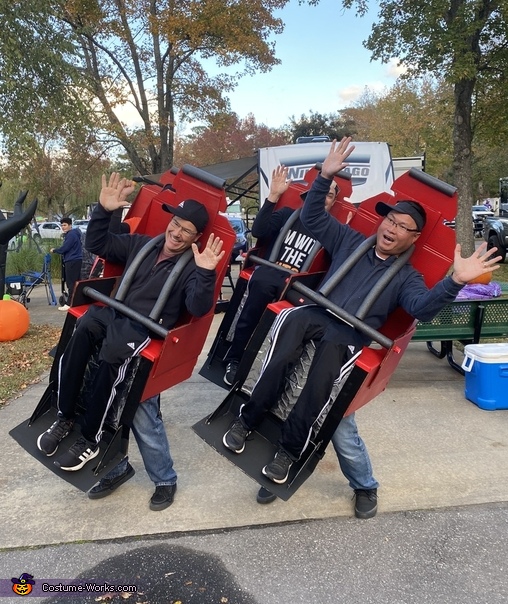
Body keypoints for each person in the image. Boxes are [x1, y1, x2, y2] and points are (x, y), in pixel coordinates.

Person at [223, 137, 502, 518]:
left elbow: (423, 309)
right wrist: (324, 176)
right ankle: (248, 421)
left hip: (348, 334)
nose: (392, 228)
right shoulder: (350, 239)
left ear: (413, 238)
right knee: (283, 348)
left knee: (328, 406)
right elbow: (313, 219)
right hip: (317, 313)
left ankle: (318, 466)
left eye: (403, 226)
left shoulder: (408, 278)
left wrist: (455, 280)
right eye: (390, 219)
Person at [37, 173, 225, 510]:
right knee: (84, 328)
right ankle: (67, 418)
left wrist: (207, 271)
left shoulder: (192, 269)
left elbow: (197, 308)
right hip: (116, 314)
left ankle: (122, 457)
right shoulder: (143, 244)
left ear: (197, 236)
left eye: (187, 230)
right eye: (176, 222)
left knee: (139, 406)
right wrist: (104, 212)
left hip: (145, 333)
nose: (177, 232)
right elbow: (99, 244)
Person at [223, 165, 340, 386]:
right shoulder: (288, 215)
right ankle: (235, 358)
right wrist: (273, 196)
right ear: (309, 195)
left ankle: (270, 377)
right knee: (258, 296)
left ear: (333, 203)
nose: (323, 198)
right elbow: (259, 231)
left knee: (297, 325)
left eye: (330, 195)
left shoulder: (334, 230)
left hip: (301, 285)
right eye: (320, 192)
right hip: (272, 274)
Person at [88, 394, 179, 511]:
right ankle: (116, 471)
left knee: (144, 421)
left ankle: (164, 479)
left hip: (139, 377)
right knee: (108, 419)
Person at [50, 217, 83, 311]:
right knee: (76, 282)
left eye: (65, 225)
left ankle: (69, 304)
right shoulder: (73, 234)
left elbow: (65, 248)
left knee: (71, 283)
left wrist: (55, 250)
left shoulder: (71, 235)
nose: (63, 227)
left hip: (72, 260)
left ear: (70, 225)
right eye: (62, 225)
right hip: (75, 260)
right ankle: (76, 301)